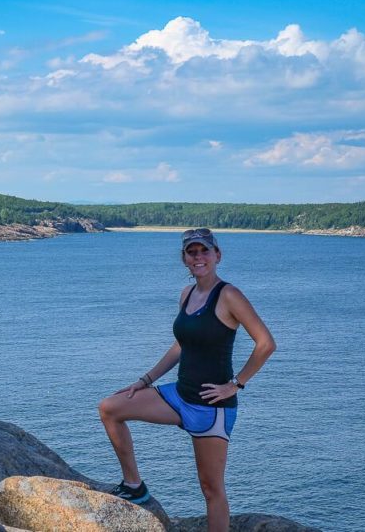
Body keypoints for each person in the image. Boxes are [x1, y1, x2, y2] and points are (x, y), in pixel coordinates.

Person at [98, 228, 276, 532]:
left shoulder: (229, 295)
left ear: (217, 255)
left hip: (210, 407)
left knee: (211, 489)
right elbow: (181, 346)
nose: (198, 258)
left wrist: (236, 384)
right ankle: (134, 485)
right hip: (178, 397)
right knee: (110, 408)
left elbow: (265, 343)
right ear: (184, 259)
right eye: (192, 252)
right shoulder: (187, 294)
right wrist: (145, 379)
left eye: (204, 251)